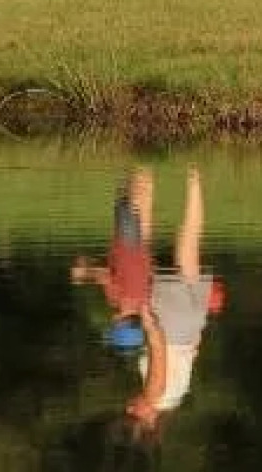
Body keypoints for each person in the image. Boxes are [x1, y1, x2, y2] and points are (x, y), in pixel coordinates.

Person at [70, 166, 221, 436]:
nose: (130, 407)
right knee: (140, 256)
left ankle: (194, 176)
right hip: (170, 328)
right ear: (149, 419)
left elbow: (192, 353)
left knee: (187, 248)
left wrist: (195, 331)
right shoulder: (153, 396)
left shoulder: (174, 399)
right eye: (134, 414)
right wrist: (148, 321)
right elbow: (159, 352)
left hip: (188, 328)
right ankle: (146, 179)